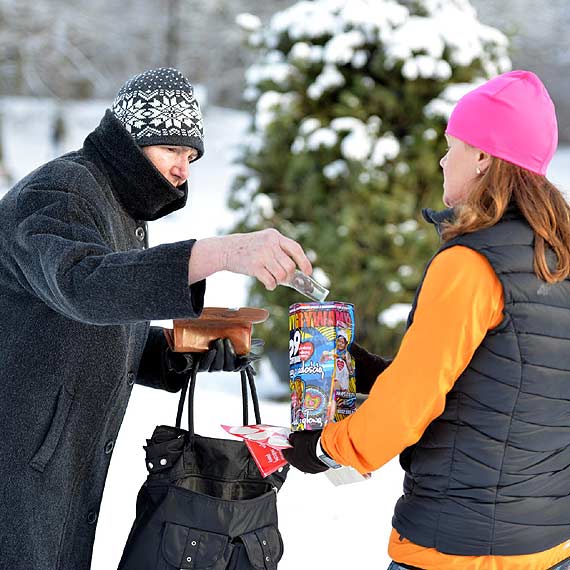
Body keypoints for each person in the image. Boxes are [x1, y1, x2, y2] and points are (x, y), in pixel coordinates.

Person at [0, 67, 312, 570]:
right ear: (130, 140)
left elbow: (100, 322)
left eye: (190, 157)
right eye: (171, 150)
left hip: (58, 464)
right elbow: (85, 287)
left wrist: (177, 355)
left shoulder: (120, 211)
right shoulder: (60, 190)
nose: (182, 170)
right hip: (18, 462)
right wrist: (218, 253)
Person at [284, 70, 570, 570]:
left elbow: (410, 406)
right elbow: (515, 382)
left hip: (458, 548)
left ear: (483, 157)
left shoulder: (471, 263)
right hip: (549, 544)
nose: (442, 159)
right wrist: (380, 371)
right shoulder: (559, 257)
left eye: (452, 145)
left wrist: (328, 448)